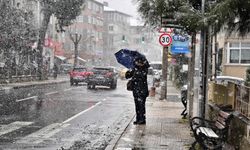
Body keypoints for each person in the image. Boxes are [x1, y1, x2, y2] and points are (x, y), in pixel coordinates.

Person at [125, 57, 150, 125]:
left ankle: (142, 119)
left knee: (141, 105)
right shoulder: (134, 69)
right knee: (137, 105)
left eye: (138, 62)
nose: (137, 63)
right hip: (136, 90)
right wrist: (128, 71)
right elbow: (127, 76)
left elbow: (141, 76)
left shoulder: (144, 69)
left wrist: (135, 73)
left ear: (142, 63)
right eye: (136, 62)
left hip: (142, 90)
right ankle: (138, 118)